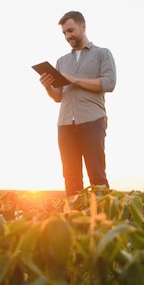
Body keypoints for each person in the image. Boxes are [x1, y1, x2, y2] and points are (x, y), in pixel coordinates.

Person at [38, 11, 116, 197]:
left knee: (97, 176)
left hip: (92, 120)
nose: (68, 36)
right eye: (64, 33)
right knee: (71, 178)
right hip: (65, 124)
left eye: (71, 30)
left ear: (83, 26)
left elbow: (109, 83)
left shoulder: (102, 54)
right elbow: (58, 97)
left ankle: (103, 222)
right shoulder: (61, 61)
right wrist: (47, 86)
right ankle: (75, 221)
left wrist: (73, 79)